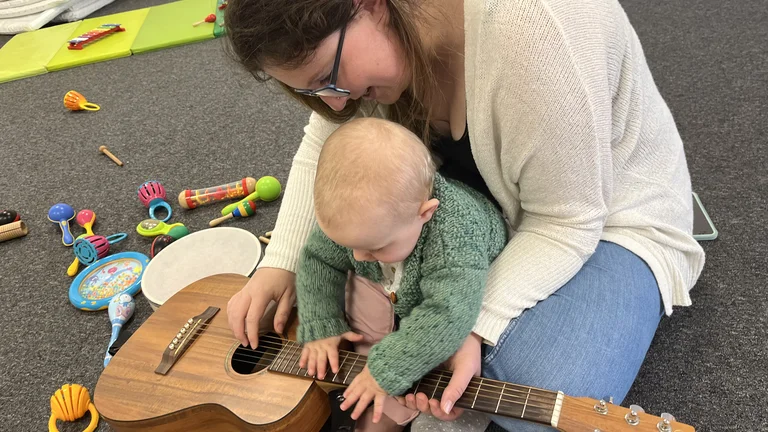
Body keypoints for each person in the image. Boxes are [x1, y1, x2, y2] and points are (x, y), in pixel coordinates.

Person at [224, 0, 706, 430]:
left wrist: (474, 324)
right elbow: (327, 134)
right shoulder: (369, 49)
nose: (335, 101)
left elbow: (566, 221)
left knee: (527, 388)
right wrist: (280, 261)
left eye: (328, 79)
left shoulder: (536, 26)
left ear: (367, 5)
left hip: (609, 222)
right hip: (478, 210)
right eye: (312, 92)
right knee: (343, 282)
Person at [293, 117, 506, 431]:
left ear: (425, 214)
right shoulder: (361, 223)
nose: (357, 257)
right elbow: (317, 259)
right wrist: (320, 323)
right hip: (404, 271)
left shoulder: (453, 239)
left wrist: (384, 370)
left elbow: (447, 313)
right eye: (349, 245)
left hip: (467, 278)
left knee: (441, 346)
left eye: (374, 248)